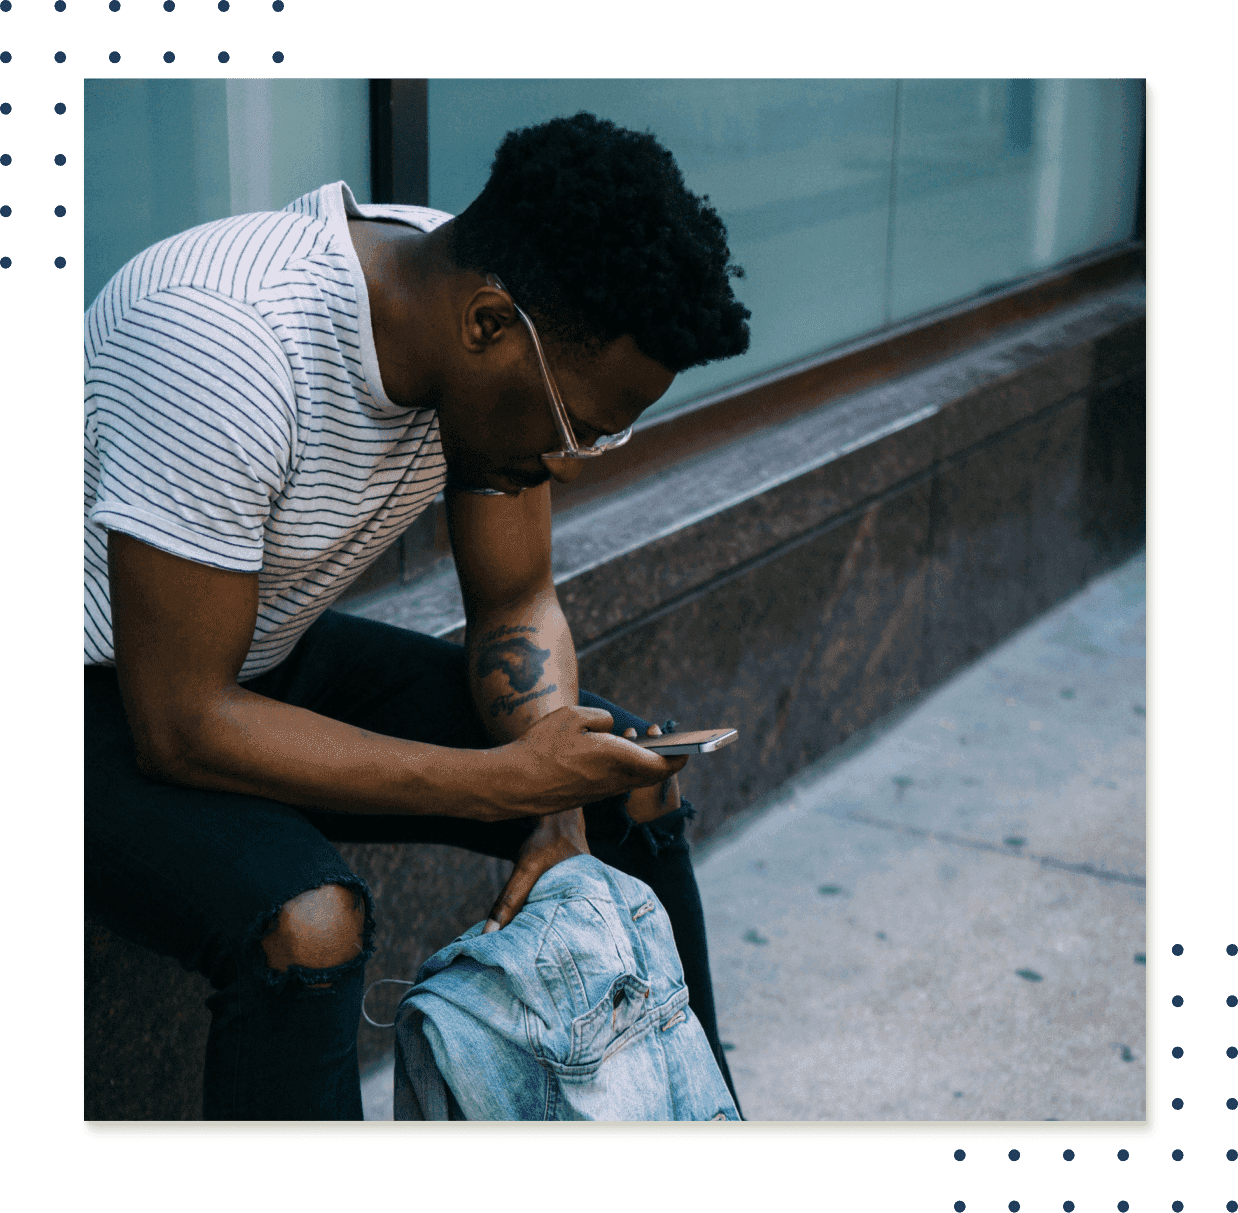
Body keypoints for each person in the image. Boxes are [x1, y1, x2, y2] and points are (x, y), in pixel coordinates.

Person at [83, 111, 751, 1120]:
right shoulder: (223, 340)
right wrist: (495, 784)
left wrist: (552, 795)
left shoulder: (488, 307)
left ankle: (698, 1132)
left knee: (629, 784)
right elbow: (181, 726)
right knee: (308, 923)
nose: (572, 461)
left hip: (249, 651)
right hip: (99, 695)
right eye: (577, 426)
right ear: (488, 326)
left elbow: (516, 600)